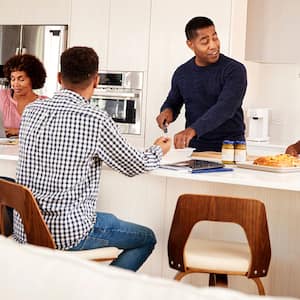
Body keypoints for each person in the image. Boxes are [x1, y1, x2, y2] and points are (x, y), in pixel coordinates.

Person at [13, 46, 171, 272]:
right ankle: (101, 291)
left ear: (59, 78)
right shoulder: (95, 118)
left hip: (26, 229)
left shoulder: (31, 110)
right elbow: (135, 165)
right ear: (96, 80)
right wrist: (158, 150)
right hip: (67, 233)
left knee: (106, 219)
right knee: (146, 238)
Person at [156, 16, 247, 152]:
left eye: (215, 38)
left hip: (230, 149)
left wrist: (193, 129)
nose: (213, 45)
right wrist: (167, 111)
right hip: (195, 149)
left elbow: (226, 107)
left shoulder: (234, 70)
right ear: (190, 44)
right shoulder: (182, 73)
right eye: (205, 42)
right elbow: (173, 101)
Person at [0, 54, 47, 137]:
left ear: (33, 79)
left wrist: (18, 131)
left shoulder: (45, 103)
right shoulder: (2, 97)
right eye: (13, 79)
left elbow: (47, 132)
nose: (15, 84)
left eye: (21, 79)